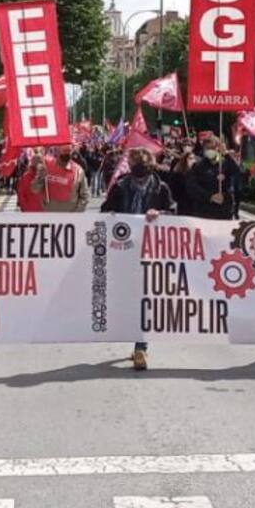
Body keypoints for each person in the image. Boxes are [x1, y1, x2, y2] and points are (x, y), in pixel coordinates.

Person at [102, 146, 175, 370]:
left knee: (144, 298)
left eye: (143, 167)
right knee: (127, 297)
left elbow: (173, 212)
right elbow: (104, 211)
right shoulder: (120, 186)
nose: (139, 172)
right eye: (136, 167)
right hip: (124, 250)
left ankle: (140, 347)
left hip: (151, 251)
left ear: (151, 167)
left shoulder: (161, 188)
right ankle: (133, 336)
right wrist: (111, 216)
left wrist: (160, 214)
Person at [186, 137, 235, 221]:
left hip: (223, 212)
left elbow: (237, 173)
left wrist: (226, 155)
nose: (210, 150)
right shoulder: (198, 166)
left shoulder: (226, 164)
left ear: (218, 148)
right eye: (207, 148)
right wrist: (210, 196)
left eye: (212, 148)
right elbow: (191, 186)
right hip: (203, 211)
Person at [31, 143, 90, 212]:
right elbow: (35, 190)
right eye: (64, 150)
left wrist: (76, 213)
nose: (67, 153)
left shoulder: (78, 171)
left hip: (70, 215)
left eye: (69, 151)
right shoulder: (47, 166)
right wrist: (40, 177)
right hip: (50, 214)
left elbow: (85, 196)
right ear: (58, 151)